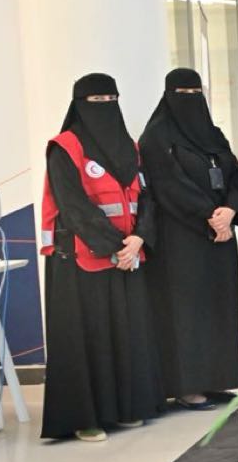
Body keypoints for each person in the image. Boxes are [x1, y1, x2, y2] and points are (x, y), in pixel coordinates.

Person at [38, 73, 164, 441]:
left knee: (124, 336)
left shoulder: (130, 147)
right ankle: (85, 418)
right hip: (80, 260)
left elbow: (146, 196)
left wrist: (139, 238)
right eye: (96, 102)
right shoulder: (64, 148)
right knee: (88, 340)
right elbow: (74, 207)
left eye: (111, 100)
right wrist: (116, 246)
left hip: (126, 256)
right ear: (79, 105)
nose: (105, 108)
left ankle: (124, 409)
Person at [140, 68, 238, 410]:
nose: (191, 100)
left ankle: (217, 379)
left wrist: (230, 210)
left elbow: (235, 175)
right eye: (183, 94)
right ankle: (186, 385)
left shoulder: (213, 134)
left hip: (220, 237)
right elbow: (167, 185)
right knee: (186, 312)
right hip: (181, 239)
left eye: (196, 93)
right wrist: (209, 214)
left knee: (219, 307)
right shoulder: (156, 138)